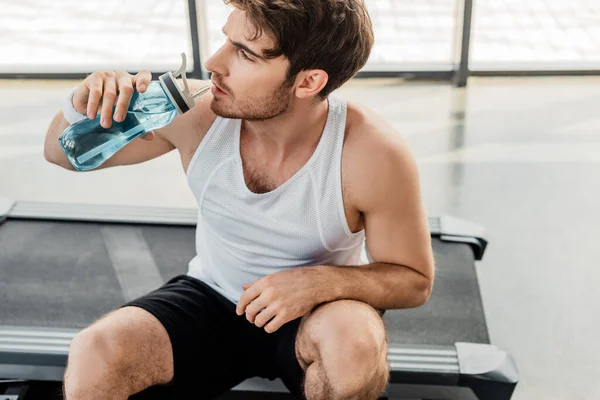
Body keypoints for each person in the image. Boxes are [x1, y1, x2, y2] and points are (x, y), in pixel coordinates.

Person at [43, 1, 435, 399]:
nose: (214, 62)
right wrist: (81, 103)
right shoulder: (196, 113)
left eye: (245, 53)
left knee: (354, 347)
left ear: (308, 82)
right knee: (95, 351)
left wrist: (318, 282)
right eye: (226, 41)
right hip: (213, 296)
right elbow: (59, 154)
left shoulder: (371, 154)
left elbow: (413, 281)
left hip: (317, 310)